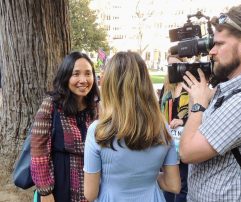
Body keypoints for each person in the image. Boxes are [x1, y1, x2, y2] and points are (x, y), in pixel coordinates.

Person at [179, 3, 241, 201]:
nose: (212, 51)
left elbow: (187, 152)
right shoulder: (232, 92)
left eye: (219, 44)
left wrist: (198, 104)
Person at [83, 51, 181, 202]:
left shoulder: (98, 131)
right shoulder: (162, 128)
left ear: (110, 86)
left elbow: (90, 193)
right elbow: (173, 185)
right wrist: (147, 177)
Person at [30, 51, 100, 202]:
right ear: (65, 77)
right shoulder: (51, 105)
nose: (83, 80)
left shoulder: (97, 108)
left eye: (88, 73)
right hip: (59, 187)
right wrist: (45, 191)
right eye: (76, 74)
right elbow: (39, 151)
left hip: (93, 186)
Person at [159, 55, 189, 202]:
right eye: (170, 65)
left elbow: (198, 112)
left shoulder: (190, 86)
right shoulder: (166, 86)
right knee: (168, 178)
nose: (173, 69)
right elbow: (158, 108)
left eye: (176, 65)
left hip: (184, 137)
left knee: (183, 180)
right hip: (168, 137)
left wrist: (182, 120)